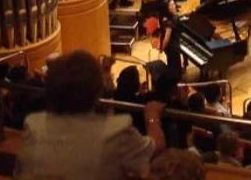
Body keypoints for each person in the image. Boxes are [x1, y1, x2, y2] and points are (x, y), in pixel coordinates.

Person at [17, 50, 165, 180]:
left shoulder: (33, 124)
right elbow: (156, 147)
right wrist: (152, 116)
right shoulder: (116, 131)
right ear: (96, 91)